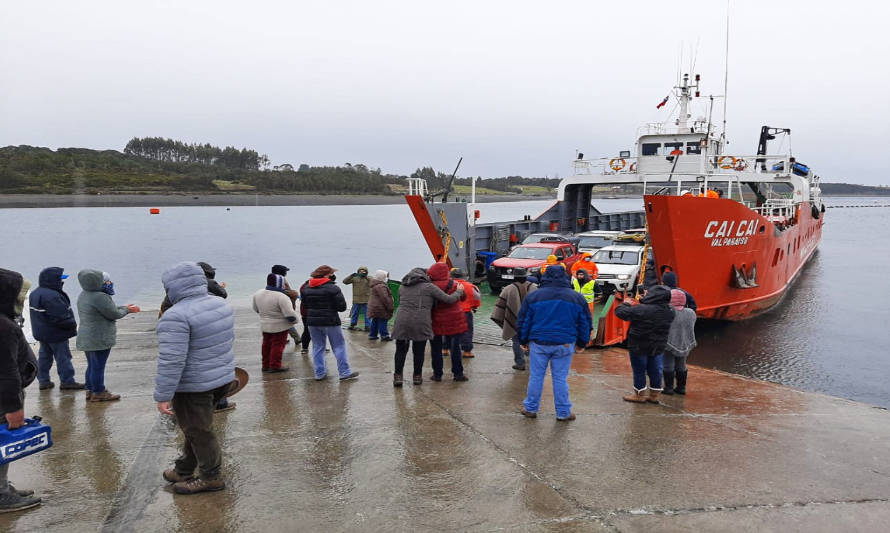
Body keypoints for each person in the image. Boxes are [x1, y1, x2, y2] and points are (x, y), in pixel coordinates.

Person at [155, 262, 236, 495]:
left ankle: (211, 477)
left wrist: (163, 395)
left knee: (199, 431)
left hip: (194, 385)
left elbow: (172, 361)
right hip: (221, 378)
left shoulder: (176, 316)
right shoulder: (220, 304)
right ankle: (184, 469)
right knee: (195, 428)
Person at [516, 265, 591, 421]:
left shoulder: (534, 296)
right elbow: (585, 322)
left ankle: (530, 408)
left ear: (545, 276)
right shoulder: (576, 297)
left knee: (536, 376)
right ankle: (563, 412)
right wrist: (582, 343)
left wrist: (523, 340)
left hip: (539, 342)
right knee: (560, 378)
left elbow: (524, 320)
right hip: (564, 343)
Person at [0, 268, 41, 513]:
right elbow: (6, 373)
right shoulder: (3, 327)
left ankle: (3, 486)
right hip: (3, 399)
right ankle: (2, 494)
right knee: (2, 443)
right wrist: (14, 408)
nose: (22, 299)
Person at [390, 267, 462, 386]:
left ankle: (398, 377)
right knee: (418, 351)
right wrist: (459, 291)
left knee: (401, 350)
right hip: (420, 321)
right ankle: (417, 377)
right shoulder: (429, 287)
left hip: (401, 321)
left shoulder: (402, 287)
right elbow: (448, 300)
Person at [76, 270, 139, 402]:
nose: (109, 284)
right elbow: (114, 314)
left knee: (92, 365)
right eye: (106, 282)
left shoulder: (84, 294)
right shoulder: (100, 296)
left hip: (86, 337)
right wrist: (127, 310)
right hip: (99, 337)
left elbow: (107, 309)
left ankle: (90, 390)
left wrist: (123, 307)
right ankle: (99, 392)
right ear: (98, 282)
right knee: (98, 366)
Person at [614, 285, 675, 404]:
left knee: (639, 370)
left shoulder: (642, 309)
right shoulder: (670, 311)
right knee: (656, 369)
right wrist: (645, 299)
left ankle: (640, 395)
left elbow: (620, 312)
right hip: (658, 344)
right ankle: (654, 395)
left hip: (639, 344)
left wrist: (626, 303)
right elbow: (653, 310)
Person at [301, 265, 359, 382]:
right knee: (338, 346)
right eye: (331, 273)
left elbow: (305, 305)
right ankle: (344, 372)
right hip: (330, 321)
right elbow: (342, 307)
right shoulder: (333, 288)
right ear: (327, 275)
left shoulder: (306, 288)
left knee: (317, 347)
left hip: (312, 321)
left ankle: (319, 373)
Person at [28, 267, 81, 391]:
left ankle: (43, 381)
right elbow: (59, 318)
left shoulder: (36, 293)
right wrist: (72, 324)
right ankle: (67, 381)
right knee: (63, 358)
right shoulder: (52, 296)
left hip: (42, 333)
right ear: (53, 280)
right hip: (56, 334)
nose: (62, 281)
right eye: (60, 279)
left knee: (44, 357)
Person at [428, 262, 469, 382]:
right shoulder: (455, 284)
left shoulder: (429, 286)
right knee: (455, 347)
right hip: (454, 320)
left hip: (436, 320)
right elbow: (464, 297)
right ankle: (458, 374)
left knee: (436, 348)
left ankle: (437, 374)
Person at [491, 267, 537, 371]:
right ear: (526, 276)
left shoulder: (508, 288)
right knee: (531, 339)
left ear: (514, 277)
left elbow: (500, 307)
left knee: (516, 341)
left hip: (515, 321)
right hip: (531, 321)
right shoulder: (534, 288)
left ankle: (520, 363)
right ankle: (531, 358)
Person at [251, 274, 298, 373]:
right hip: (280, 326)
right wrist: (295, 321)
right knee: (278, 346)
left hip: (264, 324)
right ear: (280, 284)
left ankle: (265, 365)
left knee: (266, 344)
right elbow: (290, 314)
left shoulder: (258, 293)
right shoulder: (281, 296)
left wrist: (265, 316)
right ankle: (275, 365)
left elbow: (256, 309)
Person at [663, 289, 697, 395]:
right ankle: (681, 388)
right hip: (685, 342)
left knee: (668, 365)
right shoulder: (691, 313)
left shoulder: (668, 312)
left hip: (669, 343)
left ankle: (668, 388)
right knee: (681, 365)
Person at [450, 268, 480, 358]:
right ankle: (467, 351)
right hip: (465, 313)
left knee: (447, 330)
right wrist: (474, 306)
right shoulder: (471, 286)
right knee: (467, 331)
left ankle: (444, 349)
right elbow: (477, 297)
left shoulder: (448, 285)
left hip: (450, 312)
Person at [271, 265, 302, 346]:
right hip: (283, 302)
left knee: (281, 321)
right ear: (281, 272)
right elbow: (286, 290)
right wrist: (295, 295)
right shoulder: (281, 279)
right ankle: (296, 338)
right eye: (285, 271)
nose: (286, 273)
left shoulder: (272, 278)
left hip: (275, 303)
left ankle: (285, 338)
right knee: (286, 321)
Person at [367, 270, 393, 341]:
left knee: (375, 321)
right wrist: (390, 306)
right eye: (386, 276)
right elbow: (385, 298)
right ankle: (384, 335)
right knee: (383, 320)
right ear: (382, 277)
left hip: (374, 306)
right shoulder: (381, 286)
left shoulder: (375, 284)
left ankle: (372, 335)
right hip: (380, 307)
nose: (387, 278)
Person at [343, 267, 371, 331]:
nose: (361, 273)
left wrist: (366, 277)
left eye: (363, 271)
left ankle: (368, 326)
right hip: (356, 300)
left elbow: (373, 282)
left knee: (367, 314)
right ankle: (352, 325)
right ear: (358, 272)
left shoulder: (369, 278)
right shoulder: (354, 278)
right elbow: (344, 282)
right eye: (360, 271)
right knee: (354, 313)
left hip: (366, 300)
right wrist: (351, 275)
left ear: (366, 272)